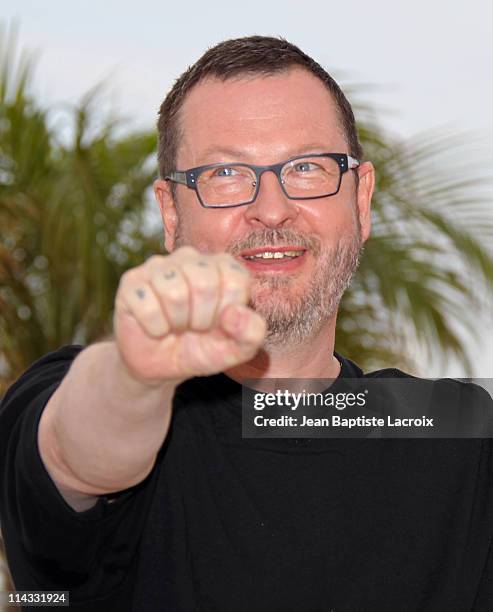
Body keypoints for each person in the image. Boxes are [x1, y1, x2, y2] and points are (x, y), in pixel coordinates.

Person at [1, 35, 492, 612]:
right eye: (228, 174)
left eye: (307, 167)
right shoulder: (92, 397)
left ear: (361, 202)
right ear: (170, 212)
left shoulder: (460, 434)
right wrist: (135, 375)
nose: (273, 208)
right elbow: (76, 452)